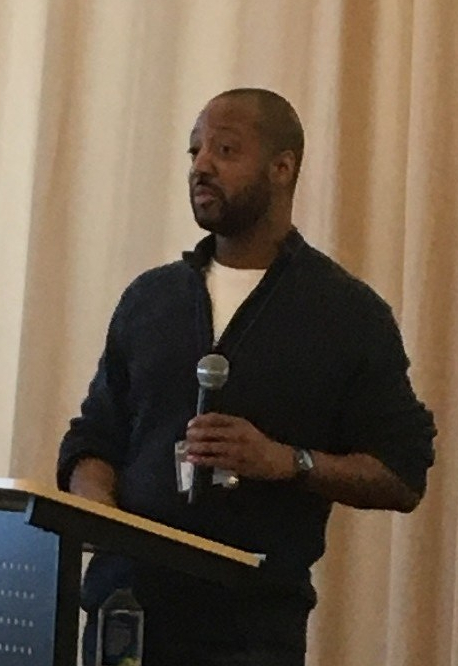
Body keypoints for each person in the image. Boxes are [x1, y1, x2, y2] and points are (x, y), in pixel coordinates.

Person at [57, 88, 436, 666]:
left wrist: (288, 461)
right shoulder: (150, 299)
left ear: (282, 168)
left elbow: (402, 473)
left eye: (225, 149)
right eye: (195, 151)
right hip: (123, 621)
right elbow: (93, 439)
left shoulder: (346, 314)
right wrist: (101, 513)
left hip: (250, 636)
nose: (201, 166)